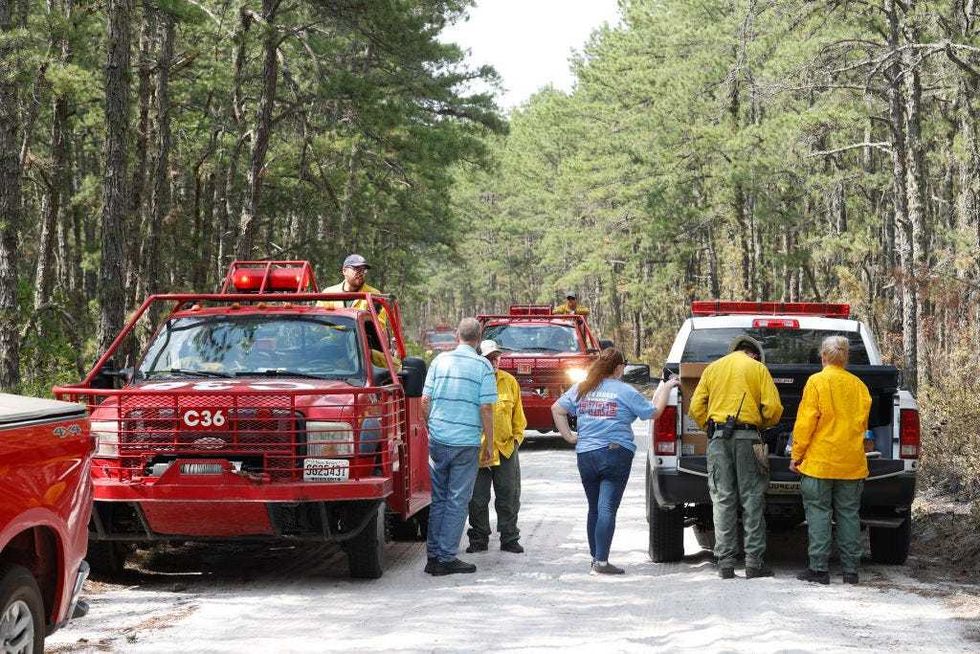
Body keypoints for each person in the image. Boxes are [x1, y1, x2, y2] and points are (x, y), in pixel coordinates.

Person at [552, 347, 679, 575]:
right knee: (607, 507)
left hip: (586, 454)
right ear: (619, 368)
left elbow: (557, 408)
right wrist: (667, 387)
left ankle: (596, 559)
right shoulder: (624, 391)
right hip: (614, 454)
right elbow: (653, 412)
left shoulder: (582, 388)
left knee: (594, 508)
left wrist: (570, 437)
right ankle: (601, 562)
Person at [689, 335, 783, 580]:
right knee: (751, 499)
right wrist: (760, 424)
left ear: (736, 350)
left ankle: (726, 563)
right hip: (749, 439)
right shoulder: (758, 369)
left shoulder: (713, 369)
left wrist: (708, 427)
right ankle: (753, 563)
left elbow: (696, 408)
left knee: (722, 499)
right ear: (753, 353)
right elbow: (773, 409)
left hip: (718, 439)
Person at [791, 335, 872, 585]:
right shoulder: (859, 386)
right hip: (851, 463)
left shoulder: (816, 382)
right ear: (845, 357)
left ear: (823, 357)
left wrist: (796, 456)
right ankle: (851, 571)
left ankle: (819, 569)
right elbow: (863, 428)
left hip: (820, 463)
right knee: (849, 515)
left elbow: (806, 424)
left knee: (819, 514)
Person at [422, 317, 497, 576]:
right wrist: (490, 442)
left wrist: (431, 426)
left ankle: (433, 556)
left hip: (439, 440)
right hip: (465, 442)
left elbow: (425, 399)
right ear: (479, 339)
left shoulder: (439, 361)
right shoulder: (483, 366)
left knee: (440, 498)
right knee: (457, 500)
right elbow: (486, 407)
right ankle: (445, 557)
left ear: (457, 335)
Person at [466, 339, 528, 555]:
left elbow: (518, 418)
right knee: (477, 498)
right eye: (489, 358)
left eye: (497, 357)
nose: (495, 361)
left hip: (506, 449)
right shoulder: (471, 383)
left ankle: (510, 537)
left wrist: (517, 440)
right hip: (479, 450)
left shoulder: (510, 382)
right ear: (479, 360)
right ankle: (479, 538)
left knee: (509, 495)